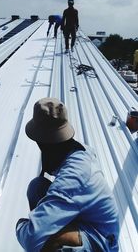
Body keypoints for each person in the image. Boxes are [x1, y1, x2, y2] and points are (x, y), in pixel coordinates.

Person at [16, 97, 120, 252]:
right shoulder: (78, 149)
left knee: (46, 241)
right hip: (87, 219)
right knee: (37, 187)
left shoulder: (72, 178)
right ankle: (48, 224)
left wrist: (21, 225)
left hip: (103, 240)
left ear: (41, 142)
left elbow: (31, 238)